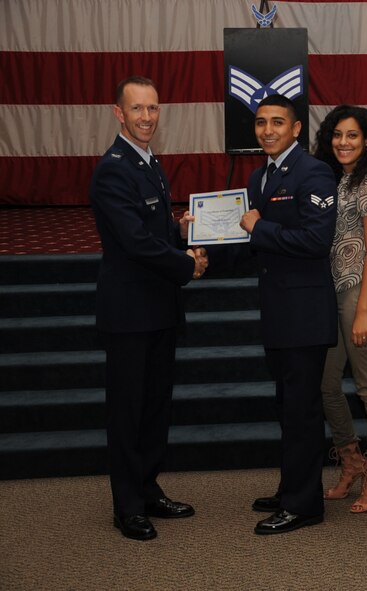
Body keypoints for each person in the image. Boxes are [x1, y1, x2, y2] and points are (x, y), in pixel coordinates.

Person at [89, 76, 206, 541]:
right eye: (137, 109)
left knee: (156, 405)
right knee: (128, 410)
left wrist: (179, 231)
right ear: (119, 113)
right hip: (129, 312)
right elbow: (134, 242)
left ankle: (148, 487)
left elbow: (149, 229)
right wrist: (185, 262)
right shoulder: (113, 168)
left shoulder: (150, 163)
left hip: (158, 306)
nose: (146, 117)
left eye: (153, 109)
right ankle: (127, 506)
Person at [235, 94, 338, 535]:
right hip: (278, 313)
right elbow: (256, 247)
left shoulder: (314, 172)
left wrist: (260, 227)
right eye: (261, 123)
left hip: (304, 314)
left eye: (278, 122)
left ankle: (304, 504)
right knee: (286, 407)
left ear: (297, 129)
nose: (268, 130)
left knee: (301, 411)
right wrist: (197, 241)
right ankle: (293, 486)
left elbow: (316, 240)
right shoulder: (260, 177)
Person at [312, 105, 367, 513]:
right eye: (337, 135)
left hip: (361, 292)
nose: (343, 143)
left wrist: (363, 309)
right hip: (331, 293)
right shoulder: (335, 180)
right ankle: (351, 461)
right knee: (327, 384)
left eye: (352, 135)